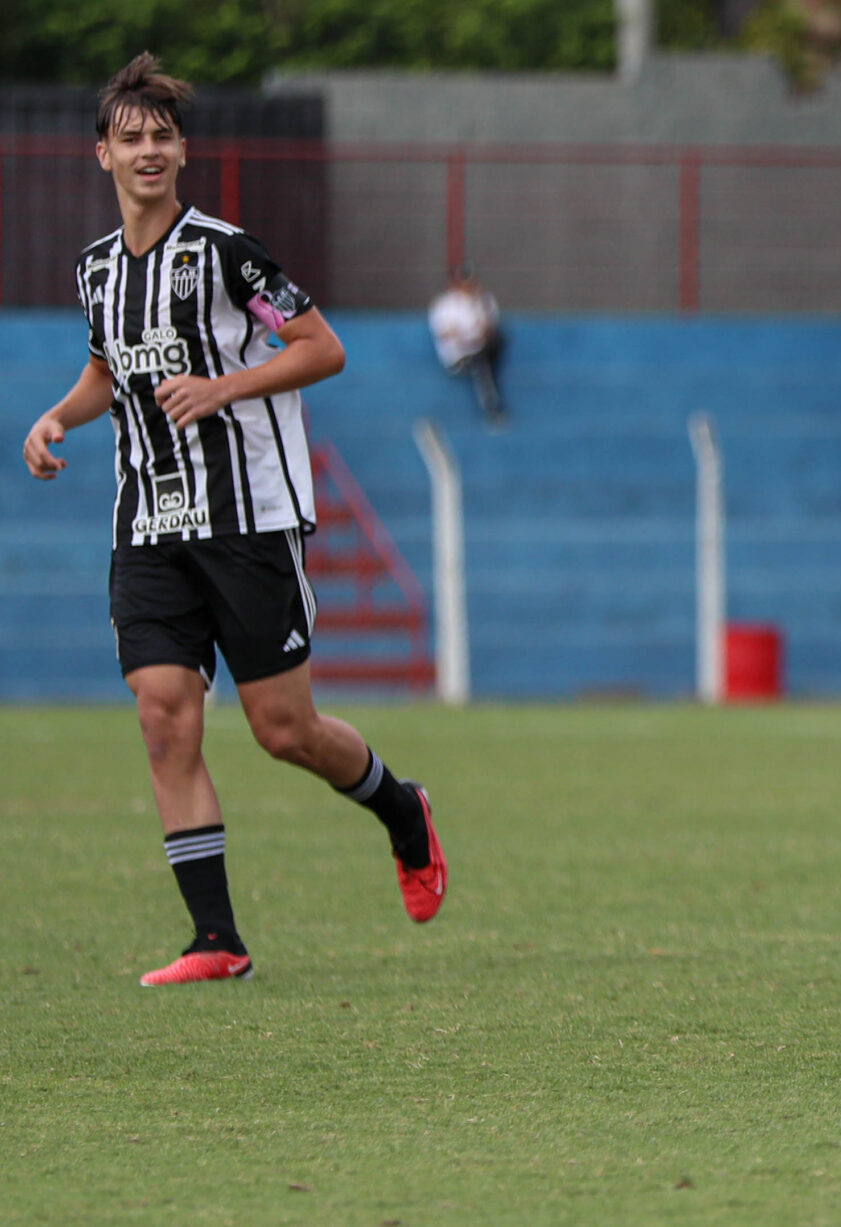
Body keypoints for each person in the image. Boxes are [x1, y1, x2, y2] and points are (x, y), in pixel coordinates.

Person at [21, 54, 446, 986]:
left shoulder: (226, 254)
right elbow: (108, 369)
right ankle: (216, 939)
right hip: (148, 525)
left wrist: (223, 387)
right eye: (130, 137)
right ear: (102, 154)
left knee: (282, 729)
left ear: (182, 150)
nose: (148, 150)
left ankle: (402, 809)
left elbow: (319, 345)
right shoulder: (97, 272)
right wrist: (58, 414)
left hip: (247, 520)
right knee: (165, 718)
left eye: (162, 136)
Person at [428, 265, 506, 420]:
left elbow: (488, 332)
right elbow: (446, 334)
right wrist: (468, 336)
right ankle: (492, 408)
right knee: (479, 363)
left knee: (487, 353)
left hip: (481, 351)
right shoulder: (446, 304)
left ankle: (493, 408)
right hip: (457, 356)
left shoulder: (484, 301)